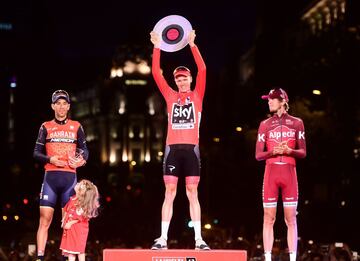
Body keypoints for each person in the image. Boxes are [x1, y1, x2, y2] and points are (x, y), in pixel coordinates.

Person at [149, 29, 210, 250]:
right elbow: (156, 72)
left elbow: (202, 68)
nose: (182, 82)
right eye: (178, 79)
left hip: (191, 150)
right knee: (170, 192)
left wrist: (192, 44)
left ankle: (199, 240)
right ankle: (162, 238)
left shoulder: (197, 94)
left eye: (185, 78)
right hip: (172, 150)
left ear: (191, 79)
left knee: (192, 192)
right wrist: (157, 46)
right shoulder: (170, 95)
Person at [33, 90, 89, 261]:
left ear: (69, 106)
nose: (62, 106)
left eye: (65, 103)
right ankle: (39, 258)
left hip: (69, 179)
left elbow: (85, 151)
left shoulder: (77, 126)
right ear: (53, 106)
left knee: (68, 222)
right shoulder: (46, 126)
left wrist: (81, 161)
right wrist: (51, 159)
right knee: (45, 220)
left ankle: (66, 258)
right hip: (50, 177)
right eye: (58, 103)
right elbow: (36, 153)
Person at [255, 88, 306, 261]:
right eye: (268, 99)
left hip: (289, 173)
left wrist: (289, 150)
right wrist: (272, 152)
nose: (268, 102)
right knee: (268, 218)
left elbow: (303, 152)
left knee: (290, 219)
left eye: (272, 99)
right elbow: (258, 155)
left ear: (283, 101)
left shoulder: (297, 123)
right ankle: (267, 258)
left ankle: (293, 259)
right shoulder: (264, 124)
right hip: (271, 173)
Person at [60, 179, 100, 261]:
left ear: (82, 191)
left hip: (78, 229)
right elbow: (67, 210)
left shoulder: (82, 203)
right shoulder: (73, 199)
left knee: (80, 251)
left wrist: (70, 223)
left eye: (80, 184)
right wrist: (64, 220)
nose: (77, 183)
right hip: (71, 229)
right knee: (71, 251)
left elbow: (82, 217)